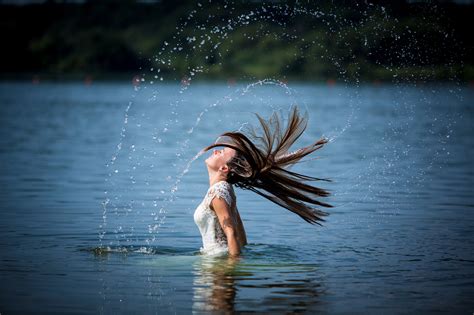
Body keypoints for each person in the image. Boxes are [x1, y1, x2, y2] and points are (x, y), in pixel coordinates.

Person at [193, 106, 332, 256]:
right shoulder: (225, 189)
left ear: (224, 168)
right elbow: (241, 235)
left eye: (220, 152)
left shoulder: (218, 192)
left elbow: (232, 233)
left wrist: (232, 268)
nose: (215, 151)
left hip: (218, 266)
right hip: (217, 261)